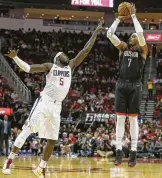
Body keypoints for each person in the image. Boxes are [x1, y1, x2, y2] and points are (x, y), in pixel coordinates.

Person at [2, 21, 103, 177]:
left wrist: (96, 32)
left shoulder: (70, 66)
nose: (64, 53)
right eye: (60, 53)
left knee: (52, 139)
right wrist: (15, 58)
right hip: (44, 102)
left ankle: (41, 168)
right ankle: (9, 160)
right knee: (27, 130)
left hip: (57, 107)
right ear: (57, 59)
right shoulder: (50, 66)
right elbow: (28, 68)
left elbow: (85, 50)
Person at [107, 3, 148, 167]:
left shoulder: (143, 50)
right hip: (122, 84)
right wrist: (117, 19)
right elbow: (109, 33)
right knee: (120, 119)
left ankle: (133, 153)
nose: (134, 37)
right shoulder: (123, 47)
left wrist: (133, 16)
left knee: (133, 120)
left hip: (135, 85)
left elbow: (140, 32)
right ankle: (118, 152)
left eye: (136, 37)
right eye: (131, 36)